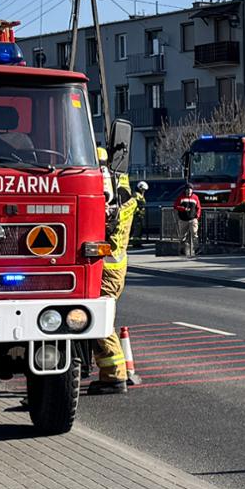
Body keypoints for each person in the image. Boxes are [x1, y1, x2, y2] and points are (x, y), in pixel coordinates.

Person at [89, 149, 132, 394]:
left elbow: (106, 224)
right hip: (111, 266)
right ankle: (114, 373)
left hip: (106, 267)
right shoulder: (120, 187)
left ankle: (115, 377)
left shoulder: (111, 192)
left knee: (99, 321)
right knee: (97, 319)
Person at [173, 183, 202, 258]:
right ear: (185, 190)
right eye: (187, 189)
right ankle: (182, 249)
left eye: (190, 189)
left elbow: (198, 208)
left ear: (192, 190)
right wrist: (183, 208)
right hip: (183, 220)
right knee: (182, 236)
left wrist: (197, 217)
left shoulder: (195, 197)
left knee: (194, 234)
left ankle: (196, 249)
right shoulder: (180, 197)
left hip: (193, 219)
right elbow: (175, 206)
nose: (189, 191)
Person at [126, 181, 149, 248]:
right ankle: (136, 244)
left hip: (139, 215)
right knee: (137, 230)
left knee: (139, 230)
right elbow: (136, 203)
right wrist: (140, 205)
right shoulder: (136, 194)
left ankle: (136, 242)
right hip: (136, 215)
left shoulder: (140, 195)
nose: (144, 191)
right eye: (143, 190)